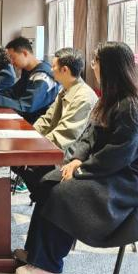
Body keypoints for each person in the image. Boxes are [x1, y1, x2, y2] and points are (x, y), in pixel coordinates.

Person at [13, 42, 138, 274]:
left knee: (64, 193)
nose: (92, 66)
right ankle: (37, 254)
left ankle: (48, 268)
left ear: (109, 66)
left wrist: (81, 170)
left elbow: (119, 153)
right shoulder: (109, 99)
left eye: (95, 61)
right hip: (115, 167)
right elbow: (88, 137)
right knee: (49, 181)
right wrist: (76, 160)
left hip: (137, 179)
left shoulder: (132, 105)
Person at [12, 48, 98, 201]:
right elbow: (47, 119)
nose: (51, 70)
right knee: (16, 160)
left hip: (69, 155)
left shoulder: (84, 97)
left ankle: (47, 202)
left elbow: (65, 134)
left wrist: (34, 152)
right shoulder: (66, 89)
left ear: (65, 70)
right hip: (53, 147)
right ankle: (43, 201)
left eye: (53, 66)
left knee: (33, 173)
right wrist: (27, 139)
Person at [0, 37, 58, 124]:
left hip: (36, 123)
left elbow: (27, 105)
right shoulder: (27, 70)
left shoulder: (42, 75)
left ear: (24, 53)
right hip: (25, 118)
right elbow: (14, 92)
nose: (11, 62)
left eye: (12, 57)